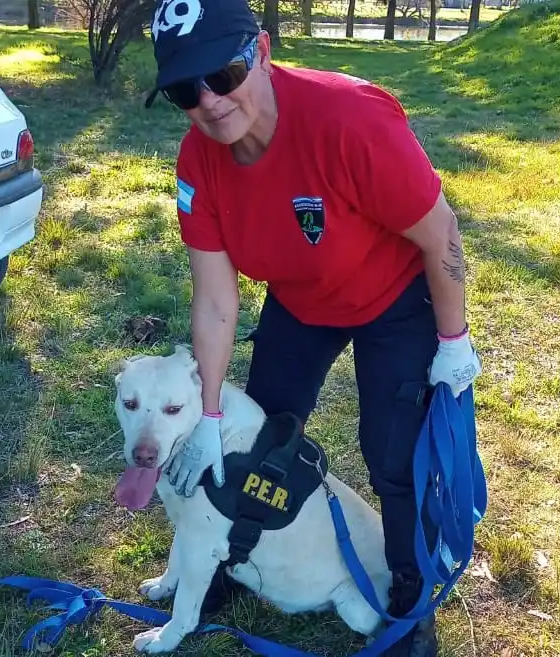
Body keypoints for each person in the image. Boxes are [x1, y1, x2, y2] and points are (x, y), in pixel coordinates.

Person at [143, 0, 482, 654]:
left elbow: (440, 229)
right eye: (187, 88)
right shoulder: (198, 163)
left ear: (263, 50)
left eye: (226, 72)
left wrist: (454, 341)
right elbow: (215, 300)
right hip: (300, 297)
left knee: (395, 457)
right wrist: (210, 414)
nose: (211, 100)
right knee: (257, 431)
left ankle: (410, 600)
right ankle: (233, 556)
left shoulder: (349, 120)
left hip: (394, 295)